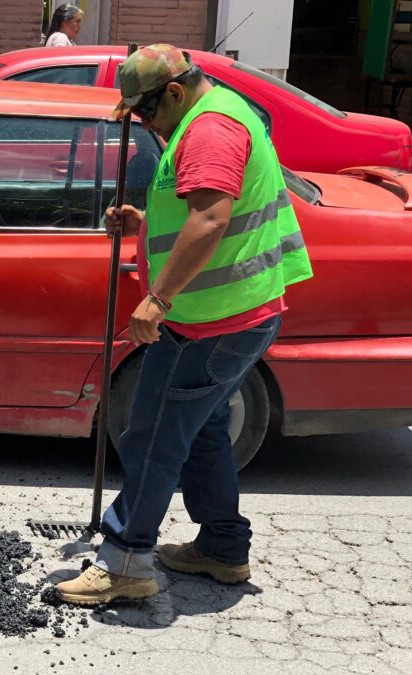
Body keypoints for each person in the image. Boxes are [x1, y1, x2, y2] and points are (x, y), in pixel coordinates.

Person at [54, 44, 313, 605]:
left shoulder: (209, 130)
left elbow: (213, 217)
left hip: (209, 320)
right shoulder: (215, 114)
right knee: (202, 432)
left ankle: (125, 560)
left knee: (151, 434)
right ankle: (222, 548)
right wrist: (144, 222)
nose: (144, 123)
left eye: (146, 112)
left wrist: (158, 300)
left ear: (174, 92)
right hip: (233, 314)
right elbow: (212, 207)